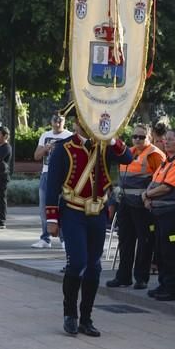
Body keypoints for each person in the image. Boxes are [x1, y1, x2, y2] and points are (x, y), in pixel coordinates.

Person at [45, 109, 132, 337]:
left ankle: (86, 318)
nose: (89, 124)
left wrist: (110, 135)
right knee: (78, 263)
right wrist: (52, 219)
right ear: (76, 122)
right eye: (85, 120)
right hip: (73, 212)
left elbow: (128, 158)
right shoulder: (63, 148)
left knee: (94, 267)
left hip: (97, 213)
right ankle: (70, 313)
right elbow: (53, 185)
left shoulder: (104, 145)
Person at [107, 124, 165, 290]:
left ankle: (141, 278)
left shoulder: (155, 154)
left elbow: (160, 179)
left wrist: (149, 197)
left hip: (143, 205)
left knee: (144, 242)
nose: (138, 140)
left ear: (149, 137)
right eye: (135, 137)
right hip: (125, 203)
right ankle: (123, 276)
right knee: (125, 241)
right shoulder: (128, 152)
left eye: (141, 137)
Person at [142, 129, 175, 302]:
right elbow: (154, 182)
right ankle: (163, 285)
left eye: (171, 139)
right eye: (165, 139)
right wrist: (146, 195)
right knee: (161, 251)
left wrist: (148, 195)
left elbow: (167, 187)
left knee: (172, 252)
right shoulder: (167, 161)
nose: (166, 142)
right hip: (162, 214)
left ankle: (172, 289)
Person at [31, 113, 72, 248]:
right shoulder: (45, 135)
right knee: (44, 207)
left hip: (63, 176)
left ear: (65, 121)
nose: (58, 122)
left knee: (62, 207)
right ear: (51, 121)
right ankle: (45, 238)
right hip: (46, 174)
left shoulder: (69, 136)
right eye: (55, 119)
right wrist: (46, 148)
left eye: (60, 120)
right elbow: (36, 156)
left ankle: (64, 239)